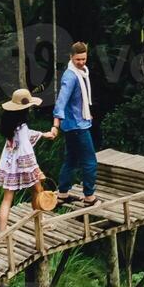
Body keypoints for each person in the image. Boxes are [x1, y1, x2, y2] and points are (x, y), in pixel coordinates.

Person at [0, 88, 56, 232]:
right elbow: (26, 150)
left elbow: (24, 137)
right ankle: (40, 223)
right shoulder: (21, 126)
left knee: (7, 199)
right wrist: (37, 170)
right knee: (38, 190)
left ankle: (2, 233)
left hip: (10, 165)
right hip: (23, 164)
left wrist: (42, 134)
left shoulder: (10, 123)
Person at [53, 40, 99, 206]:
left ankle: (63, 194)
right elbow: (61, 101)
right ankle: (89, 197)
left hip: (77, 123)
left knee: (71, 159)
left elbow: (78, 100)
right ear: (71, 57)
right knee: (90, 161)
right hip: (77, 127)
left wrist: (87, 114)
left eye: (84, 59)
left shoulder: (81, 72)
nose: (81, 62)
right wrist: (55, 124)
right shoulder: (71, 76)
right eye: (78, 59)